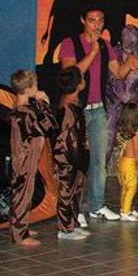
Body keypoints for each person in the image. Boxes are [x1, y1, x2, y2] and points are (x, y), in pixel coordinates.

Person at [58, 7, 123, 223]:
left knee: (98, 160)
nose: (96, 25)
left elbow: (117, 72)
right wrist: (93, 52)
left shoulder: (105, 45)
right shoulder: (70, 43)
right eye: (92, 20)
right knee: (77, 160)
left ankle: (97, 205)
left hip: (99, 108)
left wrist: (131, 64)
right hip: (77, 109)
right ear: (83, 21)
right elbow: (72, 74)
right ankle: (75, 209)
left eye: (100, 21)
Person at [9, 69, 57, 246]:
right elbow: (49, 126)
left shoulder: (22, 109)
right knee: (23, 193)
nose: (38, 88)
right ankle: (20, 234)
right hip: (25, 159)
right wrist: (45, 104)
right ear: (28, 89)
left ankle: (22, 226)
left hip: (27, 156)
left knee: (24, 192)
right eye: (35, 85)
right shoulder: (25, 113)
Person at [53, 67, 90, 241]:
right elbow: (69, 139)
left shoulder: (72, 104)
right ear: (78, 84)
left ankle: (73, 223)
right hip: (67, 158)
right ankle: (65, 228)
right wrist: (79, 159)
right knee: (66, 192)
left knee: (75, 191)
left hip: (73, 156)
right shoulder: (68, 109)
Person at [106, 25, 138, 157]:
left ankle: (135, 166)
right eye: (127, 36)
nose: (130, 40)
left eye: (134, 37)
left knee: (134, 140)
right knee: (108, 136)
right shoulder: (112, 53)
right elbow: (108, 79)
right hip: (112, 101)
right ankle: (101, 166)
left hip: (133, 103)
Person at [114, 101, 138, 223]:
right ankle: (125, 212)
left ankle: (125, 209)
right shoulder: (135, 133)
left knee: (125, 187)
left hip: (122, 161)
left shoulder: (121, 131)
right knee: (132, 187)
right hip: (130, 162)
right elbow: (136, 150)